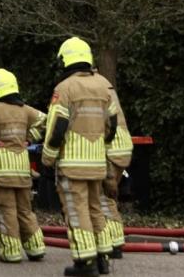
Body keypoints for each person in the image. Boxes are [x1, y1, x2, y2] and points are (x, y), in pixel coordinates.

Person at [41, 37, 118, 276]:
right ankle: (103, 257)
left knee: (77, 211)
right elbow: (113, 124)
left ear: (66, 59)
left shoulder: (64, 89)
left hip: (72, 165)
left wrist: (47, 159)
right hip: (96, 163)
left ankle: (85, 262)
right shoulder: (104, 86)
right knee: (96, 208)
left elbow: (56, 129)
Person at [0, 68, 47, 263]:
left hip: (2, 171)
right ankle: (36, 248)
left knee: (6, 211)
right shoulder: (25, 109)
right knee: (25, 210)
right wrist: (28, 139)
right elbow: (45, 120)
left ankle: (11, 252)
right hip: (23, 170)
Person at [102, 83, 132, 259]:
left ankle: (114, 242)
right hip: (122, 145)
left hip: (111, 147)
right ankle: (114, 240)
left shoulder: (91, 87)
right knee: (110, 196)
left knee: (104, 197)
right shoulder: (105, 85)